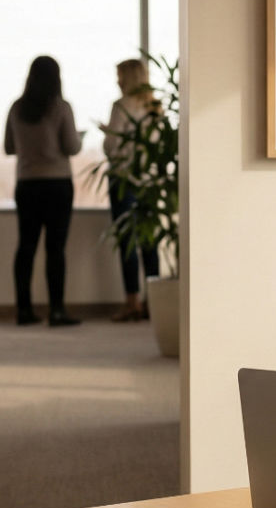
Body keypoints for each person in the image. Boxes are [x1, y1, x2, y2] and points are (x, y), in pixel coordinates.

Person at [4, 56, 83, 326]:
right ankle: (57, 310)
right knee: (55, 248)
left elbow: (9, 147)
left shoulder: (16, 108)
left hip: (27, 184)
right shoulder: (61, 108)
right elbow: (72, 147)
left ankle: (23, 310)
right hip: (57, 184)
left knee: (26, 247)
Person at [101, 58, 160, 322]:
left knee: (128, 241)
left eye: (119, 75)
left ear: (128, 77)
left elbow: (113, 148)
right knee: (150, 242)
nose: (117, 81)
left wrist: (106, 134)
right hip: (150, 182)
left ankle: (132, 302)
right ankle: (154, 302)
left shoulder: (121, 106)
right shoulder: (155, 107)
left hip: (124, 181)